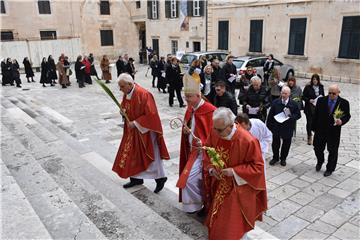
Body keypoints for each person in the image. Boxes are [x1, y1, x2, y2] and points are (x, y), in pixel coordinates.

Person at [203, 107, 267, 240]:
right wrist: (211, 169)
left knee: (232, 225)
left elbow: (257, 167)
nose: (215, 132)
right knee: (216, 221)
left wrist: (234, 171)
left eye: (219, 130)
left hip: (239, 188)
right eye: (214, 128)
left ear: (231, 125)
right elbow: (208, 150)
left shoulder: (248, 140)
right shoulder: (216, 131)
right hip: (219, 184)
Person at [112, 73, 169, 193]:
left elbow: (151, 114)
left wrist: (137, 123)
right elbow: (125, 107)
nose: (120, 89)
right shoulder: (127, 93)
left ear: (129, 84)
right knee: (131, 155)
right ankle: (136, 179)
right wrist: (123, 112)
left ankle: (160, 178)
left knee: (150, 156)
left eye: (122, 86)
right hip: (132, 131)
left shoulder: (143, 94)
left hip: (145, 132)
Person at [176, 73, 216, 214]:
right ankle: (197, 205)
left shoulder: (210, 111)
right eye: (185, 97)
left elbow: (216, 135)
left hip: (203, 154)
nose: (186, 100)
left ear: (198, 96)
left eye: (189, 97)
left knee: (190, 180)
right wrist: (186, 131)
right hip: (192, 152)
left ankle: (203, 204)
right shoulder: (191, 107)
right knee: (189, 180)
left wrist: (203, 143)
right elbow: (190, 125)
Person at [312, 84, 351, 177]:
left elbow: (347, 116)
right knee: (317, 147)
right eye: (329, 93)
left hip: (334, 131)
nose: (331, 95)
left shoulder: (344, 103)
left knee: (333, 151)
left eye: (333, 93)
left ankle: (330, 168)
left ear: (338, 93)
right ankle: (320, 161)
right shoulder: (321, 100)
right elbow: (316, 115)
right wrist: (312, 128)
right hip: (320, 130)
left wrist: (341, 121)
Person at [267, 86, 301, 166]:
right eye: (282, 93)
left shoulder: (293, 104)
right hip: (277, 126)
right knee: (275, 143)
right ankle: (275, 157)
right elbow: (270, 115)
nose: (284, 95)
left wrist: (291, 117)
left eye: (285, 93)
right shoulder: (276, 102)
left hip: (287, 127)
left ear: (289, 94)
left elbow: (298, 115)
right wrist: (269, 126)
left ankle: (283, 158)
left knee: (286, 144)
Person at [302, 74, 324, 145]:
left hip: (318, 107)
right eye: (313, 79)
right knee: (309, 122)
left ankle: (316, 134)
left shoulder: (321, 87)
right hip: (309, 107)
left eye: (316, 79)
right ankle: (309, 136)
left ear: (318, 80)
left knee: (316, 122)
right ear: (312, 80)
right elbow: (303, 96)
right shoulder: (308, 87)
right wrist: (309, 100)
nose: (315, 81)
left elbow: (323, 96)